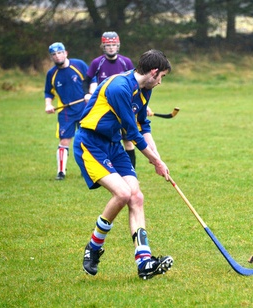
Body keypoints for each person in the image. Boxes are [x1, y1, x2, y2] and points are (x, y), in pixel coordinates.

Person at [74, 49, 173, 279]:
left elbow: (143, 126)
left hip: (114, 145)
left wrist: (159, 159)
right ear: (154, 71)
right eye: (162, 77)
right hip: (91, 144)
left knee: (136, 196)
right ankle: (94, 247)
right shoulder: (119, 88)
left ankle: (144, 263)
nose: (160, 82)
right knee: (123, 193)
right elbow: (133, 134)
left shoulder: (144, 89)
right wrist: (155, 162)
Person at [82, 31, 153, 169]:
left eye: (114, 44)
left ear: (118, 45)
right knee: (106, 139)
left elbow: (136, 84)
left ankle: (131, 169)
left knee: (129, 140)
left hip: (124, 105)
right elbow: (86, 81)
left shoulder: (125, 61)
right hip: (105, 107)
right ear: (103, 46)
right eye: (108, 45)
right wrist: (86, 94)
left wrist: (142, 105)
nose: (111, 47)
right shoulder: (97, 62)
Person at [44, 42, 89, 180]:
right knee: (64, 141)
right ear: (51, 57)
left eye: (59, 53)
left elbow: (91, 80)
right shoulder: (52, 73)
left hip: (84, 108)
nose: (57, 56)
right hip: (65, 111)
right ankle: (61, 172)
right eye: (54, 54)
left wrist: (90, 94)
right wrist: (48, 104)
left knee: (86, 140)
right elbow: (48, 92)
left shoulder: (79, 65)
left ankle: (87, 169)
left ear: (66, 53)